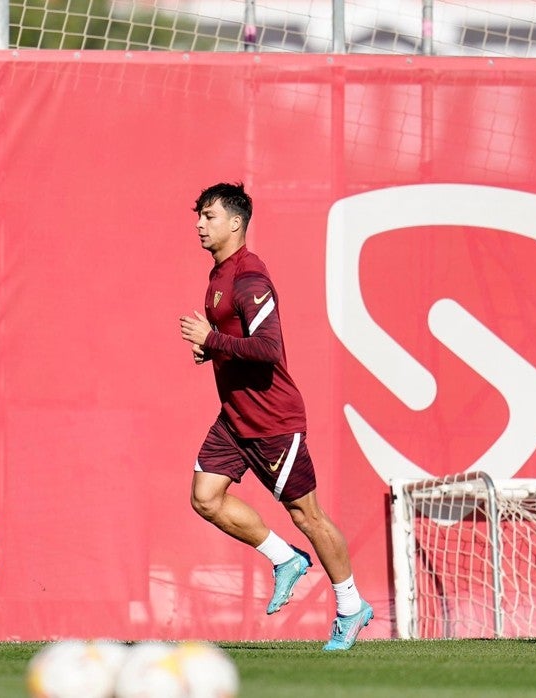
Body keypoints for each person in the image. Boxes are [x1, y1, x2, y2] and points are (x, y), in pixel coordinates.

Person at [178, 182, 373, 651]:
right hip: (235, 417)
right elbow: (237, 340)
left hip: (271, 421)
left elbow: (268, 349)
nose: (200, 224)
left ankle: (351, 607)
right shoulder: (219, 274)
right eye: (199, 216)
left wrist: (211, 342)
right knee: (205, 498)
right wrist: (217, 353)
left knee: (307, 515)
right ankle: (285, 559)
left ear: (235, 223)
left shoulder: (249, 279)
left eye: (209, 216)